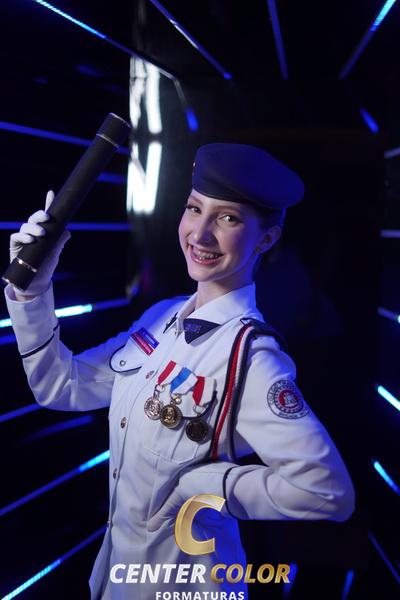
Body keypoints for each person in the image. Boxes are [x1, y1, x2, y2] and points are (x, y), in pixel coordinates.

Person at [4, 143, 355, 600]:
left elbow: (328, 492)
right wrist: (33, 292)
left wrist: (206, 485)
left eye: (228, 218)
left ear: (266, 240)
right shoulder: (162, 317)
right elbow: (62, 386)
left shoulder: (252, 358)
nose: (200, 234)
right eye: (194, 208)